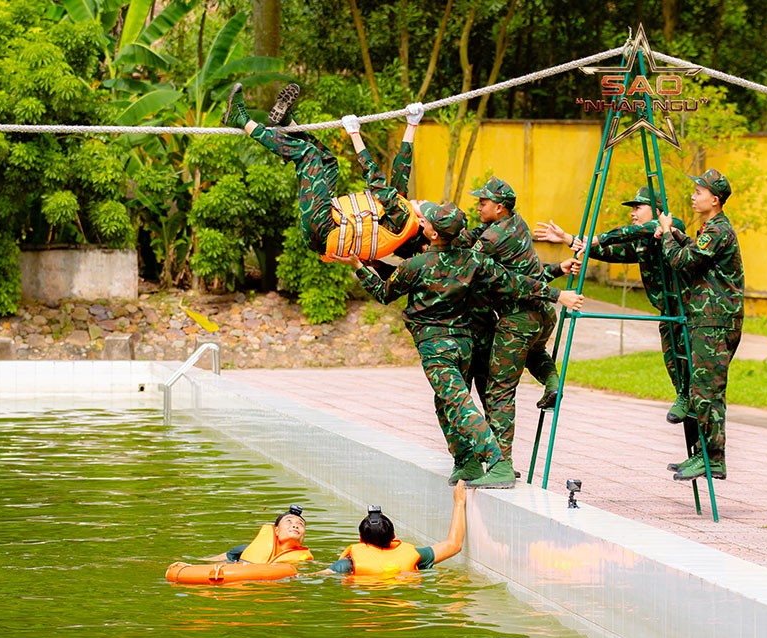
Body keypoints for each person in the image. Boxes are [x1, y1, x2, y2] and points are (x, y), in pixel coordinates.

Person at [332, 192, 584, 489]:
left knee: (459, 403)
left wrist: (358, 266)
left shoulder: (416, 266)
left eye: (426, 222)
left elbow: (383, 293)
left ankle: (499, 463)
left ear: (434, 233)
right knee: (445, 403)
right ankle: (467, 461)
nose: (422, 222)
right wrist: (557, 293)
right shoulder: (473, 259)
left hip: (438, 349)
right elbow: (515, 282)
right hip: (463, 344)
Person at [534, 186, 691, 424]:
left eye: (638, 207)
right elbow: (608, 252)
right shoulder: (643, 241)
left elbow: (632, 232)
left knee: (694, 371)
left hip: (690, 312)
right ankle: (683, 397)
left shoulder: (671, 225)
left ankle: (689, 402)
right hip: (667, 312)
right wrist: (568, 239)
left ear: (657, 209)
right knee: (674, 366)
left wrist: (596, 238)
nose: (633, 212)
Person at [455, 177, 579, 466]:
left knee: (499, 391)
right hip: (544, 316)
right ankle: (552, 381)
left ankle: (501, 464)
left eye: (483, 202)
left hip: (519, 320)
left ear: (499, 208)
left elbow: (472, 265)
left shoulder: (492, 240)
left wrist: (558, 292)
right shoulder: (518, 223)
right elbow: (527, 271)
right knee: (535, 353)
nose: (478, 206)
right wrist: (557, 272)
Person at [223, 82, 424, 261]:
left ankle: (240, 119)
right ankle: (289, 123)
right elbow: (401, 172)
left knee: (307, 155)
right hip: (324, 227)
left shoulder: (405, 218)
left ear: (423, 221)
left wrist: (354, 134)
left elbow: (375, 179)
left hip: (324, 227)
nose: (424, 201)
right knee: (328, 162)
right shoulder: (402, 221)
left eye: (428, 207)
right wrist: (412, 124)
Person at [656, 169, 743, 481]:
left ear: (715, 200)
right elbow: (694, 249)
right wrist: (677, 236)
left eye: (699, 191)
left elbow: (683, 261)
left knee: (706, 391)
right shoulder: (711, 228)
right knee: (700, 389)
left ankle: (712, 459)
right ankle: (703, 455)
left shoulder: (718, 230)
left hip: (716, 320)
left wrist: (667, 234)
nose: (694, 196)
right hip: (708, 318)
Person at [320, 480, 469, 576]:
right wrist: (459, 502)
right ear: (394, 537)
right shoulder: (414, 555)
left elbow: (319, 575)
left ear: (361, 540)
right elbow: (453, 545)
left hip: (365, 601)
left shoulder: (348, 564)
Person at [207, 504, 314, 564]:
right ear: (276, 530)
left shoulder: (305, 559)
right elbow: (209, 562)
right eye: (289, 522)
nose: (295, 526)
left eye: (300, 524)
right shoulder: (246, 549)